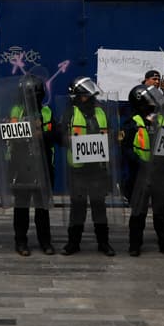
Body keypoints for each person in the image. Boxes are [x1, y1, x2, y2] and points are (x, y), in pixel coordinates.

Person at [63, 76, 116, 256]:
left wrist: (111, 140)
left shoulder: (101, 112)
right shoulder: (69, 113)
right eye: (85, 96)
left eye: (89, 95)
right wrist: (68, 140)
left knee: (99, 207)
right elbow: (59, 134)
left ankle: (104, 243)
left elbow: (111, 134)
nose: (89, 98)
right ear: (77, 97)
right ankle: (73, 243)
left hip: (97, 169)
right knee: (77, 207)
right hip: (78, 169)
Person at [123, 83, 164, 258]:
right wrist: (140, 163)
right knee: (138, 213)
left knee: (161, 212)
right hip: (141, 174)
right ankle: (135, 245)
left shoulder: (162, 120)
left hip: (161, 173)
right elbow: (126, 150)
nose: (154, 103)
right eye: (151, 100)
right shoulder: (132, 124)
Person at [9, 73, 57, 256]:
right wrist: (31, 131)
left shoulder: (47, 112)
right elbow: (11, 135)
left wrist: (40, 135)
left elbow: (53, 136)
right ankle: (20, 242)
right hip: (21, 166)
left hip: (43, 166)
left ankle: (45, 242)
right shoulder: (16, 111)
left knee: (42, 208)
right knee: (21, 207)